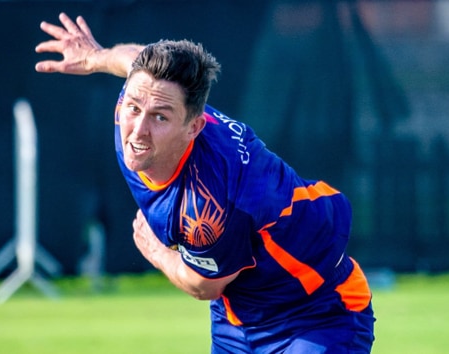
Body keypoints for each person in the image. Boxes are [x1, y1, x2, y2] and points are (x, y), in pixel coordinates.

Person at [35, 12, 375, 354]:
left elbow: (203, 285)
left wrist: (158, 254)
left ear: (193, 127)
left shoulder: (206, 205)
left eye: (160, 117)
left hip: (317, 312)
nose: (138, 130)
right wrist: (98, 57)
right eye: (134, 107)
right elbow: (136, 62)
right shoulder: (143, 96)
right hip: (237, 320)